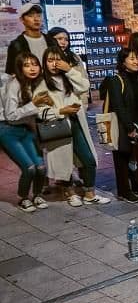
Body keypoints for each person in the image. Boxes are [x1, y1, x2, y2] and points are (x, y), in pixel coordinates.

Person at [40, 48, 109, 206]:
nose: (54, 64)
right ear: (44, 63)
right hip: (57, 126)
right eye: (50, 60)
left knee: (88, 159)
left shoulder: (67, 78)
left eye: (58, 60)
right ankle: (69, 192)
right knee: (63, 162)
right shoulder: (41, 83)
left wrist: (69, 70)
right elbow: (39, 111)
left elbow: (84, 86)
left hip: (76, 123)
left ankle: (90, 193)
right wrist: (61, 111)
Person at [101, 48, 138, 202]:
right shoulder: (115, 80)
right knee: (122, 158)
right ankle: (124, 190)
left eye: (137, 58)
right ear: (123, 62)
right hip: (122, 125)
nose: (136, 61)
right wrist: (129, 127)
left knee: (137, 156)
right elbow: (118, 106)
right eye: (131, 59)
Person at [1, 53, 50, 211]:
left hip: (26, 129)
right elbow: (11, 115)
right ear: (20, 68)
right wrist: (34, 104)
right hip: (8, 130)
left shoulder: (35, 83)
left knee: (41, 167)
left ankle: (37, 195)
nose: (32, 68)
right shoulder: (14, 84)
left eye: (34, 64)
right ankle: (23, 198)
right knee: (29, 167)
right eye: (27, 65)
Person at [5, 3, 55, 76]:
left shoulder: (51, 41)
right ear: (22, 20)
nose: (36, 19)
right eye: (30, 16)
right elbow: (12, 71)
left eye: (39, 15)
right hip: (30, 85)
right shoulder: (16, 44)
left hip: (51, 83)